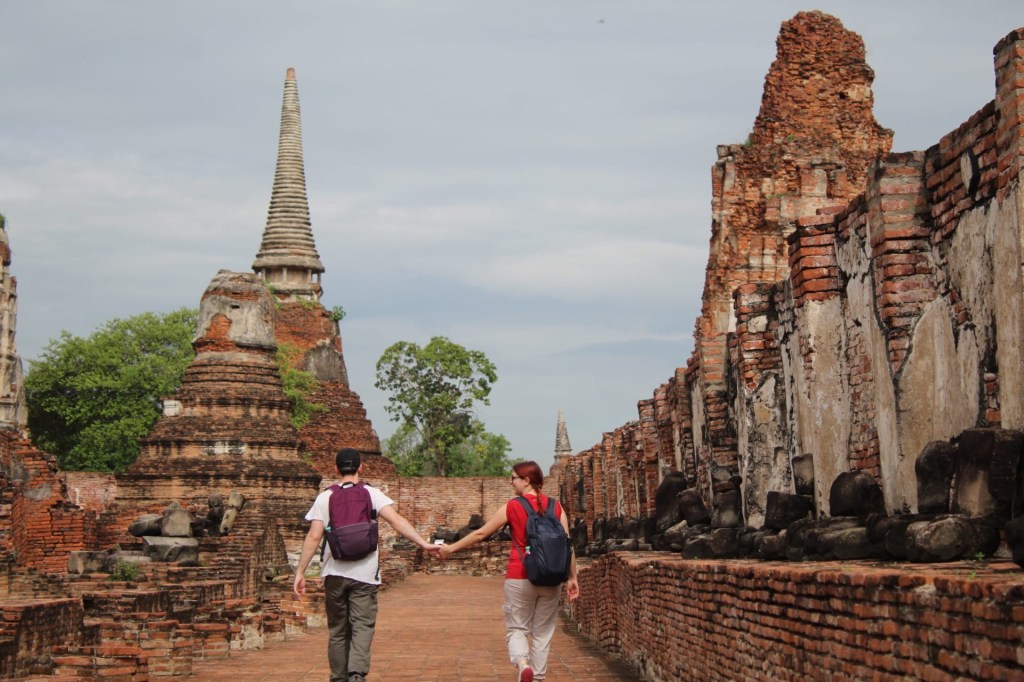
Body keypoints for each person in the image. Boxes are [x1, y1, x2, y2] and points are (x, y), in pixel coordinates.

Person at [293, 448, 440, 682]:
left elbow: (313, 537)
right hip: (365, 574)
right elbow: (397, 521)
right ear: (360, 467)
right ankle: (356, 674)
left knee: (338, 630)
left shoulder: (325, 497)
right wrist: (423, 543)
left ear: (336, 469)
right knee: (362, 626)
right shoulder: (372, 494)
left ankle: (338, 677)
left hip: (334, 573)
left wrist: (300, 572)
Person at [439, 460, 579, 682]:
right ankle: (538, 677)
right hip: (552, 577)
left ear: (526, 480)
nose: (510, 482)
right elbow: (567, 544)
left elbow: (481, 534)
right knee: (542, 633)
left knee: (517, 628)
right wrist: (572, 577)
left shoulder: (513, 506)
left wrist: (451, 549)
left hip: (520, 576)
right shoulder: (556, 506)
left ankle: (523, 664)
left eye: (513, 478)